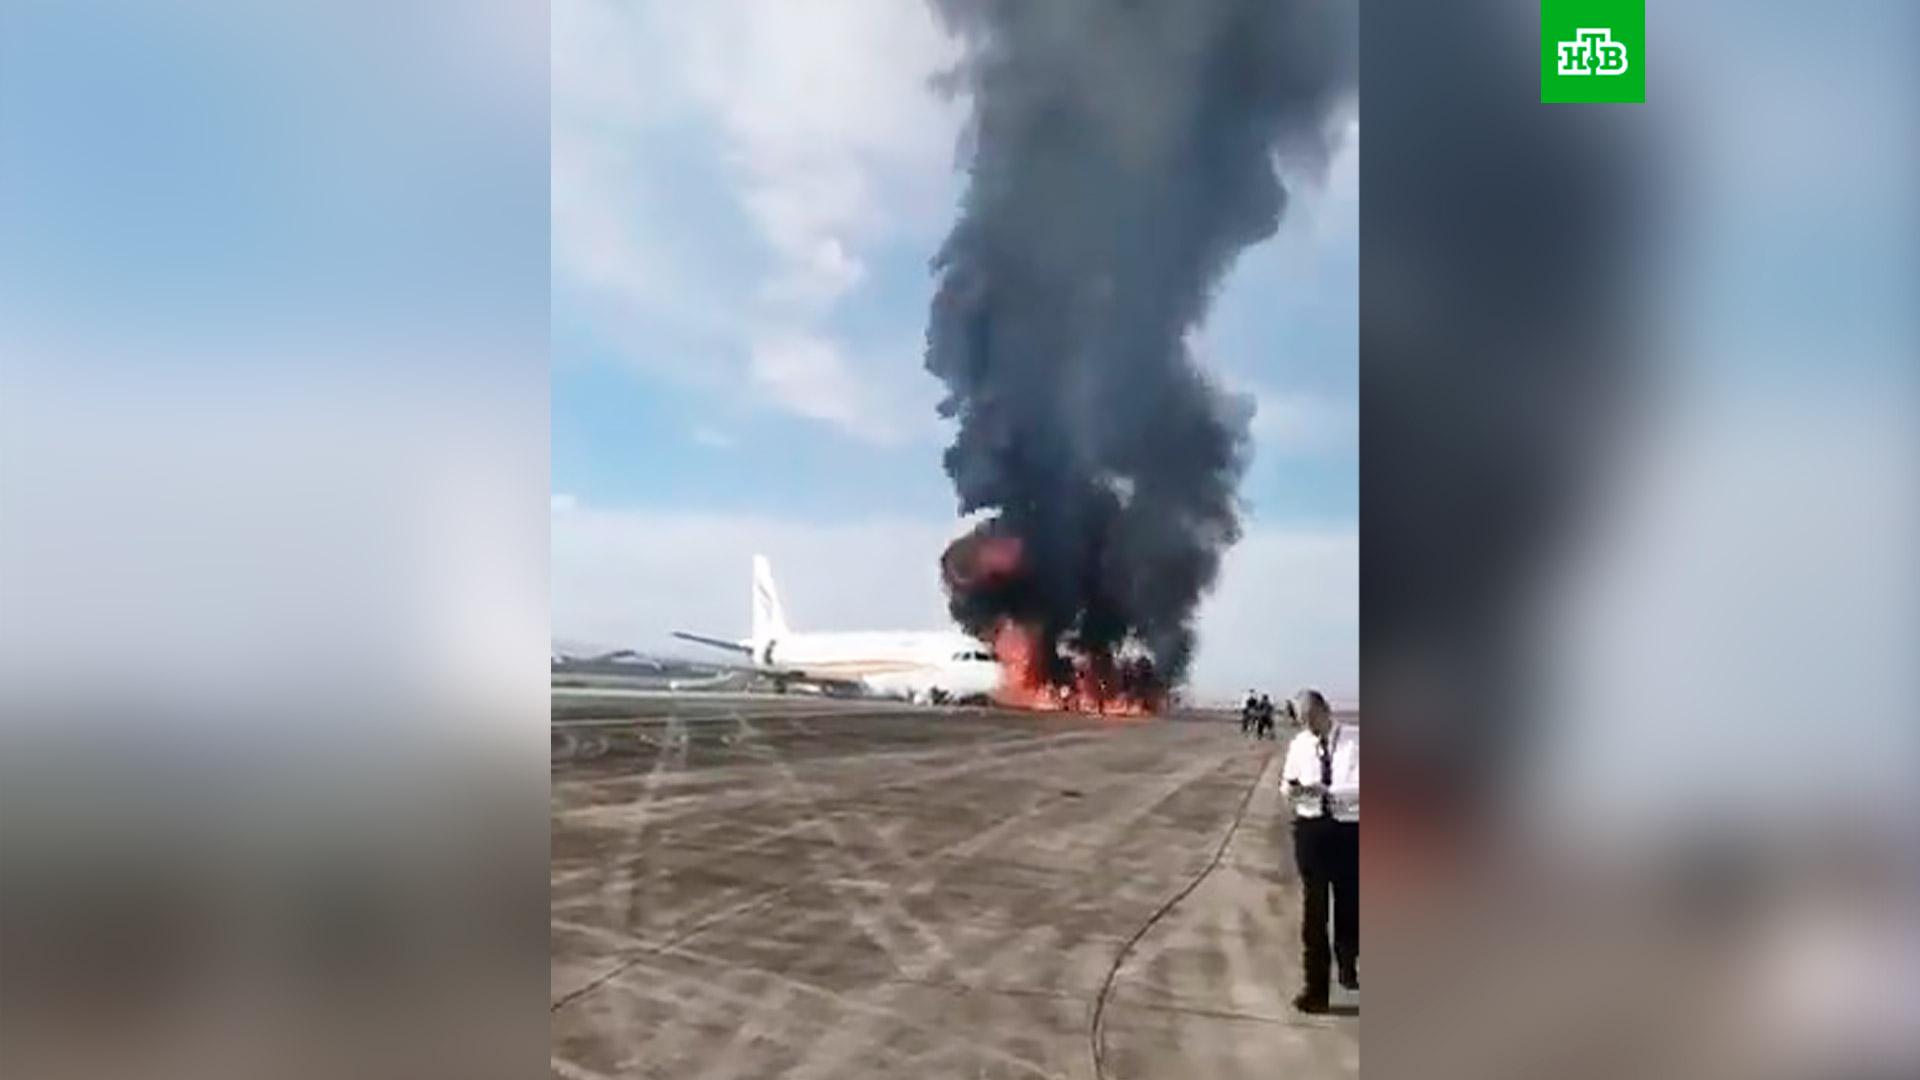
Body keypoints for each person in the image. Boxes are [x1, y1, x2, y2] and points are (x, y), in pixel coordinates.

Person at [1280, 689, 1357, 1012]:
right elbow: (1286, 786)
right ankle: (1316, 990)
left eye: (1312, 718)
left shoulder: (1356, 741)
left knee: (1350, 903)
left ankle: (1347, 958)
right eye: (1302, 721)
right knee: (1314, 911)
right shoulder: (1299, 745)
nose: (1309, 726)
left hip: (1349, 831)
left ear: (1326, 710)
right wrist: (1299, 792)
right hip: (1311, 831)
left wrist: (1333, 794)